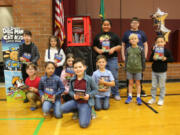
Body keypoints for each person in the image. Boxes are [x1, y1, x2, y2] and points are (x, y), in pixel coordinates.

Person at [60, 58, 98, 128]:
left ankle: (90, 111)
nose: (78, 69)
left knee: (83, 125)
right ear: (73, 69)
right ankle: (77, 111)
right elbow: (71, 91)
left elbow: (96, 90)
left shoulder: (89, 79)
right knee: (60, 109)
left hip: (85, 103)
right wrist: (74, 95)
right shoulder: (72, 79)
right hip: (76, 102)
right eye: (75, 67)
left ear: (84, 67)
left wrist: (89, 95)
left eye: (80, 67)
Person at [93, 19, 121, 100]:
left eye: (107, 25)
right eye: (104, 25)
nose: (106, 26)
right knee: (99, 77)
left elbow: (120, 46)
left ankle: (115, 93)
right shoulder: (98, 36)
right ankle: (100, 93)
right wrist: (98, 50)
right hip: (101, 60)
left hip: (112, 59)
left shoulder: (114, 35)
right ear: (102, 26)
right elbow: (94, 46)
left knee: (114, 76)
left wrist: (114, 48)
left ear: (110, 26)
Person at [121, 17, 148, 97]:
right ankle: (128, 90)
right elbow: (123, 45)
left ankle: (140, 89)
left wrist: (145, 55)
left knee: (139, 75)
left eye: (136, 23)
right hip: (129, 57)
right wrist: (123, 56)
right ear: (130, 24)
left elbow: (145, 44)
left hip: (139, 57)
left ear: (138, 24)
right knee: (129, 74)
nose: (134, 24)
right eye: (133, 23)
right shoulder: (126, 33)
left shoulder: (142, 33)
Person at [148, 35, 173, 105]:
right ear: (156, 43)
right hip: (154, 71)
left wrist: (166, 59)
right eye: (158, 42)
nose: (160, 43)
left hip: (162, 72)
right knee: (153, 86)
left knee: (162, 86)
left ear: (165, 42)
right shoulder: (154, 50)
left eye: (161, 41)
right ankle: (153, 98)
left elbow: (172, 60)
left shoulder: (167, 51)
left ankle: (161, 99)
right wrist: (153, 58)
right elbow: (150, 59)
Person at [124, 33, 145, 105]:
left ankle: (138, 97)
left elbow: (143, 59)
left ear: (138, 40)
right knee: (130, 83)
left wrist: (143, 68)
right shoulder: (128, 49)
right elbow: (126, 59)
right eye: (132, 39)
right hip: (129, 69)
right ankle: (130, 96)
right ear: (129, 41)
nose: (133, 40)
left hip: (138, 69)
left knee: (138, 83)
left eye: (135, 38)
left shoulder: (141, 49)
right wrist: (125, 67)